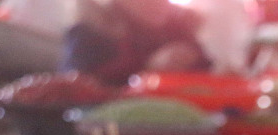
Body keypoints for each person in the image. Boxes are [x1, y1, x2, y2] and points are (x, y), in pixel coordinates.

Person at [59, 0, 212, 84]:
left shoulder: (178, 28)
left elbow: (207, 78)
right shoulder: (89, 32)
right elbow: (72, 94)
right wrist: (148, 74)